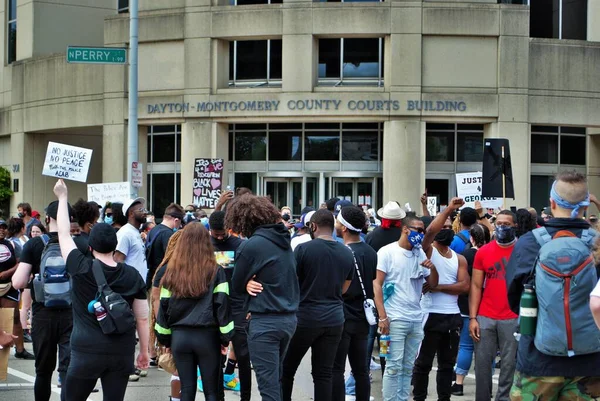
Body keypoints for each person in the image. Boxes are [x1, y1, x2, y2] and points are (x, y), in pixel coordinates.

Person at [51, 179, 149, 401]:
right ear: (116, 246)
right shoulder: (132, 275)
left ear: (90, 246)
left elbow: (64, 235)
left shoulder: (80, 266)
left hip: (85, 350)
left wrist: (63, 197)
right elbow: (142, 319)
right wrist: (144, 351)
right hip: (121, 351)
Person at [507, 171, 600, 400]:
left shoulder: (530, 242)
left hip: (537, 361)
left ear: (551, 203)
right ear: (586, 205)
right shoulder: (597, 243)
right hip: (590, 363)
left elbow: (514, 301)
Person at [374, 197, 452, 401]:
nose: (421, 233)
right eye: (417, 229)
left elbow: (432, 284)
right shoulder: (387, 252)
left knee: (408, 368)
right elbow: (377, 284)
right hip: (394, 320)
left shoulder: (419, 254)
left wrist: (432, 268)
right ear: (405, 229)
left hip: (416, 319)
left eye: (422, 230)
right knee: (392, 366)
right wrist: (383, 317)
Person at [228, 194, 300, 401]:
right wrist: (247, 282)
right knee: (274, 381)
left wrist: (245, 282)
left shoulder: (252, 246)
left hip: (265, 322)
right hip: (288, 320)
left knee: (268, 387)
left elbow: (236, 284)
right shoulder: (284, 241)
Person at [280, 209, 354, 401]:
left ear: (313, 226)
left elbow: (292, 283)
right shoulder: (347, 252)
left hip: (306, 317)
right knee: (324, 374)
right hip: (335, 318)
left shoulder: (304, 250)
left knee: (286, 369)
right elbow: (345, 288)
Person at [155, 223, 234, 401]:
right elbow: (222, 307)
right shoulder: (217, 272)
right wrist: (225, 339)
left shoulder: (170, 273)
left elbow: (164, 309)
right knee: (211, 391)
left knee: (187, 390)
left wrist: (165, 339)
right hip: (208, 338)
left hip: (179, 338)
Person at [12, 201, 77, 401]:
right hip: (71, 313)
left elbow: (18, 282)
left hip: (43, 313)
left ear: (47, 219)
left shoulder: (34, 244)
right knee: (68, 369)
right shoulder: (79, 244)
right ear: (70, 219)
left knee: (43, 370)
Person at [412, 203, 470, 401]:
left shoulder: (459, 258)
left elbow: (464, 287)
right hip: (430, 314)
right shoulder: (427, 250)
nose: (444, 230)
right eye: (442, 227)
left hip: (452, 316)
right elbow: (429, 231)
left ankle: (444, 399)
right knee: (423, 363)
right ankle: (419, 397)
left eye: (448, 227)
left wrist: (437, 287)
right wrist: (447, 210)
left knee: (447, 364)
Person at [469, 210, 518, 401]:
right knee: (482, 364)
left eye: (506, 223)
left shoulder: (522, 250)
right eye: (499, 223)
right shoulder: (483, 252)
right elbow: (475, 286)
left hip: (512, 317)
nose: (502, 226)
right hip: (486, 316)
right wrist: (473, 317)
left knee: (509, 365)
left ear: (514, 226)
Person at [332, 206, 378, 401]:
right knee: (361, 369)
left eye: (337, 220)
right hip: (364, 316)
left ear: (343, 227)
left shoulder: (342, 252)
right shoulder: (370, 251)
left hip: (343, 315)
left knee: (336, 368)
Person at [208, 211, 249, 397]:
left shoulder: (240, 245)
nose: (219, 236)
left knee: (243, 354)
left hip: (237, 304)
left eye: (222, 232)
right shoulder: (205, 246)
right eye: (215, 233)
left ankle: (246, 396)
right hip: (213, 306)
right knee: (216, 355)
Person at [451, 224, 490, 396]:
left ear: (471, 238)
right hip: (488, 306)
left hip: (467, 305)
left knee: (466, 346)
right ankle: (486, 387)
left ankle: (458, 384)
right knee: (487, 349)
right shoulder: (491, 253)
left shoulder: (464, 256)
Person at [113, 197, 148, 382]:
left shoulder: (135, 232)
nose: (144, 210)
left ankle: (138, 361)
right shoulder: (125, 233)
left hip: (138, 287)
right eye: (139, 208)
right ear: (130, 213)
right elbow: (117, 260)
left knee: (138, 325)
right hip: (127, 288)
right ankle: (126, 366)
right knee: (127, 329)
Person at [150, 230, 183, 400]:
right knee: (177, 368)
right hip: (171, 327)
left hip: (178, 327)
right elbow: (156, 300)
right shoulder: (165, 270)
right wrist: (162, 329)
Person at [0, 219, 33, 360]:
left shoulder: (12, 244)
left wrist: (8, 273)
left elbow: (21, 262)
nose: (1, 230)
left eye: (3, 227)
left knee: (14, 318)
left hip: (9, 287)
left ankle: (20, 350)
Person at [146, 203, 184, 289]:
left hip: (151, 277)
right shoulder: (168, 234)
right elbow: (172, 258)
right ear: (176, 220)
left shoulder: (153, 230)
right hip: (162, 281)